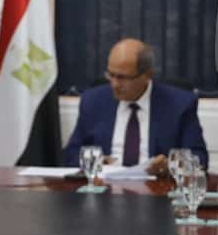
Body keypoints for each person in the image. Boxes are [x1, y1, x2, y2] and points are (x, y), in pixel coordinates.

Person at [61, 38, 206, 176]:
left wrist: (170, 166)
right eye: (111, 75)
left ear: (147, 75)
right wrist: (95, 161)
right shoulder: (93, 101)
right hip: (105, 186)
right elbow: (71, 154)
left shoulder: (180, 104)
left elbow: (199, 158)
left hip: (156, 187)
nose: (114, 84)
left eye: (122, 77)